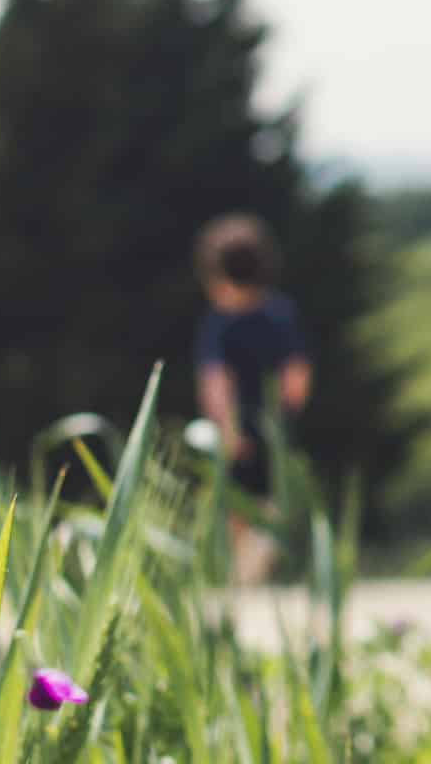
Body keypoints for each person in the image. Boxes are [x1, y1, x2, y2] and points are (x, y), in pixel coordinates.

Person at [193, 213, 312, 587]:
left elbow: (216, 383)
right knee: (271, 502)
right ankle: (257, 568)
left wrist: (226, 430)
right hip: (274, 428)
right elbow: (296, 378)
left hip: (238, 430)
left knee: (236, 507)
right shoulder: (281, 315)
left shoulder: (220, 323)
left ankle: (241, 578)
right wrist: (286, 417)